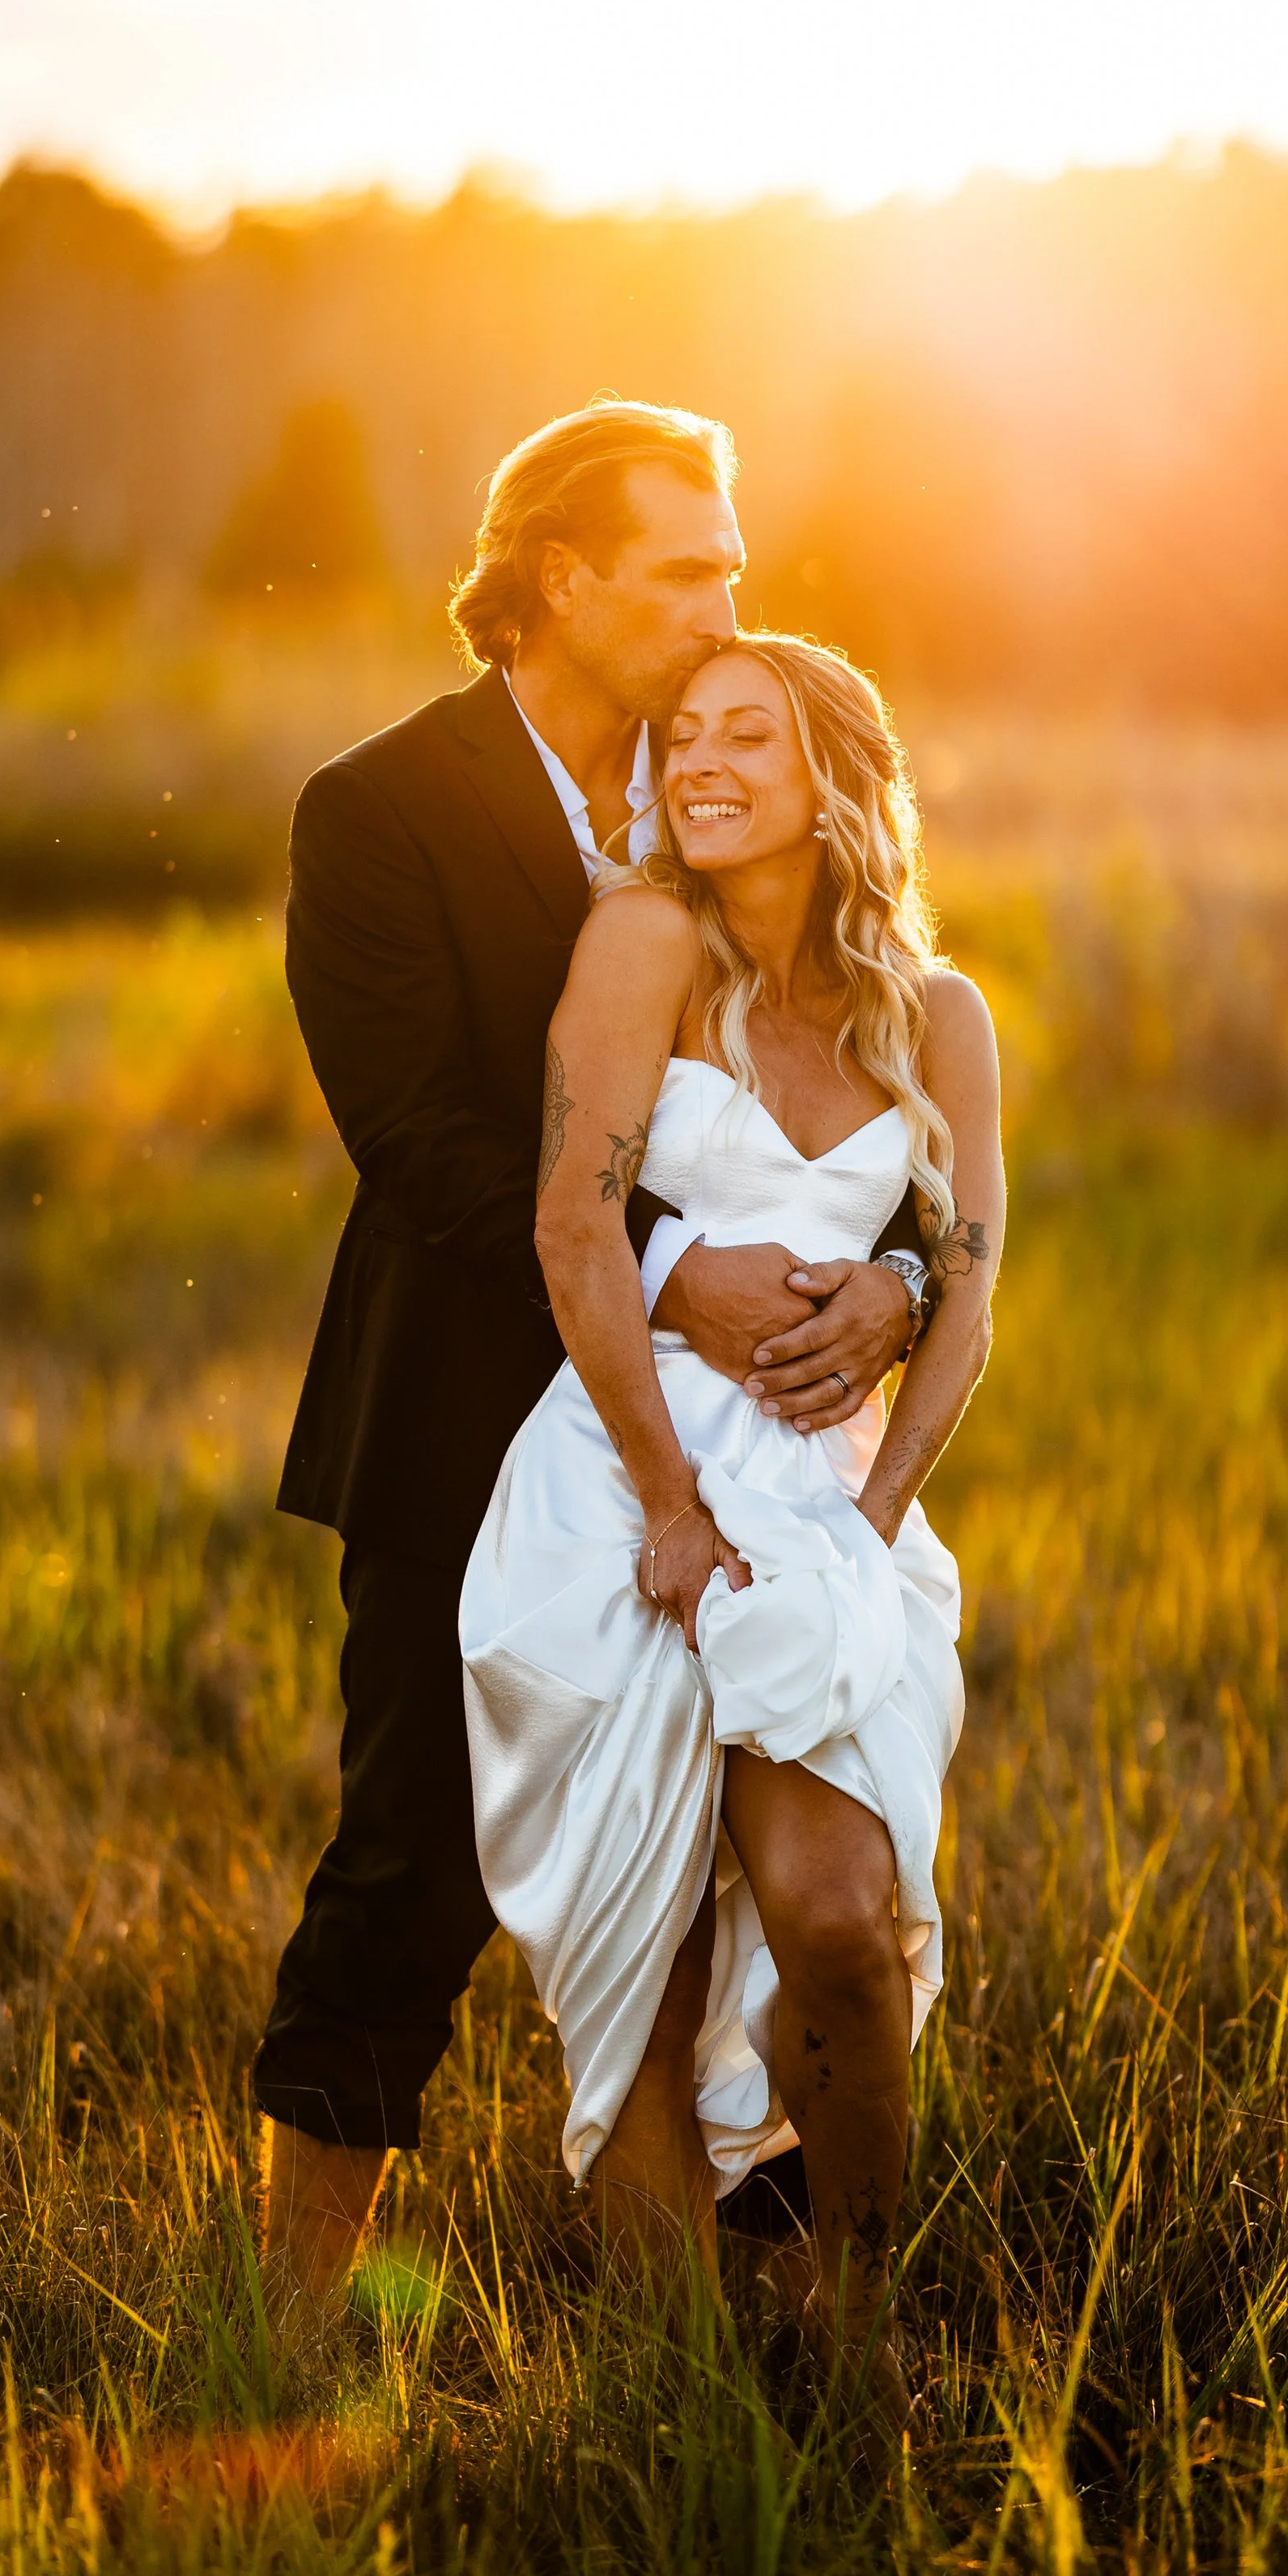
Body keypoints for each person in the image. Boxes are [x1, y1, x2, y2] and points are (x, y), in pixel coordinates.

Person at [259, 403, 931, 2306]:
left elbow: (843, 1072)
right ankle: (290, 2334)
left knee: (751, 1884)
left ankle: (749, 2324)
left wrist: (890, 1274)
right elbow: (417, 1140)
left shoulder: (725, 779)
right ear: (561, 581)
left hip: (734, 1450)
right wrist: (669, 1270)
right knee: (408, 1875)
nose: (730, 596)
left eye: (731, 564)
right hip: (461, 1421)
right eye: (690, 565)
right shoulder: (375, 810)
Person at [461, 630, 1003, 2422]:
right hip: (626, 1482)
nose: (694, 760)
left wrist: (876, 1507)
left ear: (831, 769)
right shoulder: (644, 944)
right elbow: (570, 1225)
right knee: (649, 1935)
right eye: (680, 733)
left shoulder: (936, 1013)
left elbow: (971, 1278)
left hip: (823, 1505)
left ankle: (861, 2317)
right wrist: (673, 1506)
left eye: (741, 735)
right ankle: (674, 2391)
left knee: (838, 1912)